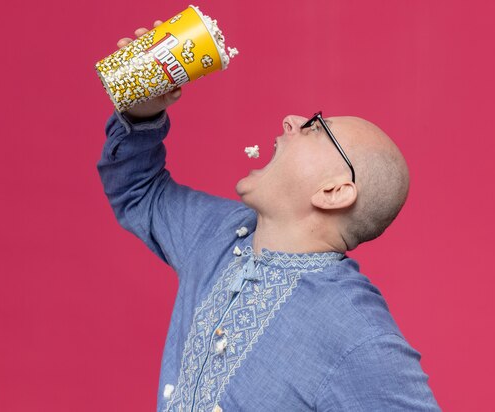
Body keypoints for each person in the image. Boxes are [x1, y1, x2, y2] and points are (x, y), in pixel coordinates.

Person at [97, 20, 441, 412]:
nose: (291, 120)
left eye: (315, 128)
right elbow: (140, 193)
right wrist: (142, 114)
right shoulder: (217, 233)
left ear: (333, 192)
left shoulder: (358, 334)